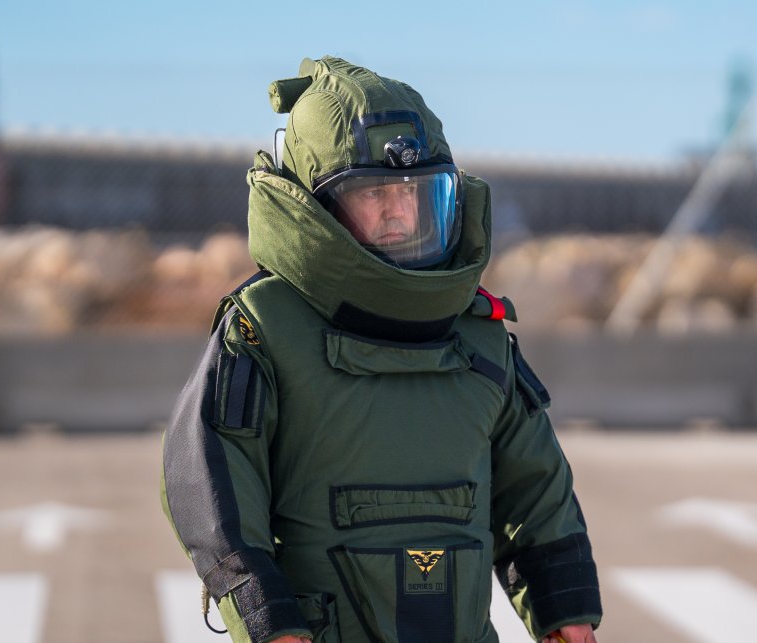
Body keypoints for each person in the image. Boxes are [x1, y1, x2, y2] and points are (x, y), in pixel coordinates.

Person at [162, 56, 602, 643]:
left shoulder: (478, 334)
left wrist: (564, 610)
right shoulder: (265, 328)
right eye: (375, 195)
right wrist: (269, 620)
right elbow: (209, 484)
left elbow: (536, 486)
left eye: (418, 193)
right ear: (315, 206)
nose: (399, 211)